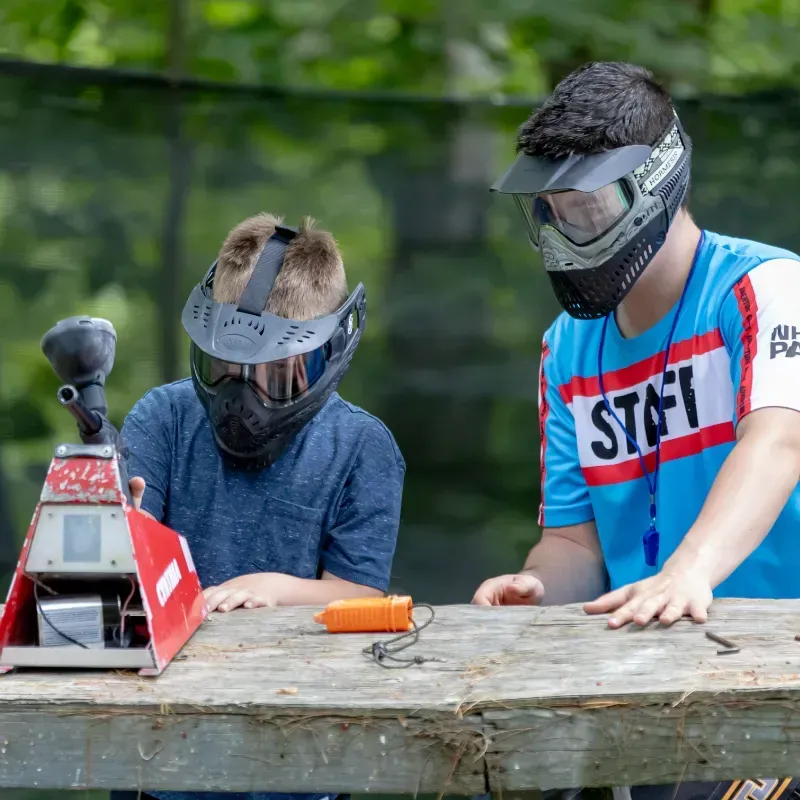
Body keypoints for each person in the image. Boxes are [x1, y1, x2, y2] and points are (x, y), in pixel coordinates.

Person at [473, 62, 800, 800]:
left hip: (777, 671)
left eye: (587, 206)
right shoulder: (565, 348)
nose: (565, 233)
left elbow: (779, 440)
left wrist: (690, 570)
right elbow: (574, 542)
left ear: (657, 180)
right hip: (647, 680)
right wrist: (538, 589)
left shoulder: (765, 287)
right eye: (552, 208)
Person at [111, 212, 405, 800]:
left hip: (301, 755)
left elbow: (361, 595)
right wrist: (123, 536)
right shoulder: (163, 419)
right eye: (225, 366)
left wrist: (271, 587)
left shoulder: (362, 447)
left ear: (325, 353)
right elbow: (128, 579)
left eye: (274, 372)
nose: (241, 395)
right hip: (159, 751)